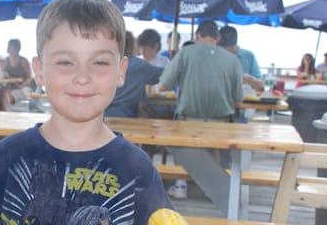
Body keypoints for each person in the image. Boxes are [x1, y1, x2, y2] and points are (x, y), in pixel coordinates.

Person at [0, 0, 280, 225]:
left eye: (100, 63)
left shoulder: (136, 167)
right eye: (65, 62)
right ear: (39, 71)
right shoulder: (8, 157)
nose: (82, 77)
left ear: (121, 72)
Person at [157, 20, 243, 200]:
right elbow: (238, 102)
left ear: (196, 36)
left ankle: (181, 185)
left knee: (178, 144)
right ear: (218, 38)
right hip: (221, 124)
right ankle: (214, 190)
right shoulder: (232, 60)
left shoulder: (186, 53)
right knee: (215, 150)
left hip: (188, 121)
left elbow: (163, 86)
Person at [105, 31, 163, 118]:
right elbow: (167, 75)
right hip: (126, 116)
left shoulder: (105, 63)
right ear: (133, 46)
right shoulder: (140, 66)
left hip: (102, 117)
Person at [219, 25, 264, 92]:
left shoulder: (248, 56)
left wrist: (250, 80)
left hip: (245, 100)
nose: (226, 53)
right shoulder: (215, 56)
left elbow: (261, 87)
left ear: (235, 44)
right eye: (223, 49)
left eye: (230, 49)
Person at [0, 38, 33, 111]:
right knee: (1, 94)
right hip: (10, 88)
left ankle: (6, 114)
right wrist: (1, 67)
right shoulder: (6, 60)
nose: (7, 48)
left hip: (23, 89)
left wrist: (21, 85)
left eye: (9, 46)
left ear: (16, 48)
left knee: (6, 95)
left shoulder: (23, 61)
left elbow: (29, 77)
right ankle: (5, 113)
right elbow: (1, 75)